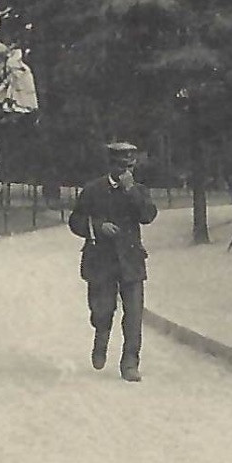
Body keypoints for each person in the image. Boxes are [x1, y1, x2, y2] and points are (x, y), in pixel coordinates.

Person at [67, 141, 159, 382]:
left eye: (129, 166)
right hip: (100, 260)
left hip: (130, 260)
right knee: (102, 309)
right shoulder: (93, 190)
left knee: (134, 313)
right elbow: (75, 221)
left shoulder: (139, 191)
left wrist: (132, 191)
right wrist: (97, 227)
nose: (126, 172)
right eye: (121, 167)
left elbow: (148, 216)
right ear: (111, 166)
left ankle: (130, 362)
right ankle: (101, 335)